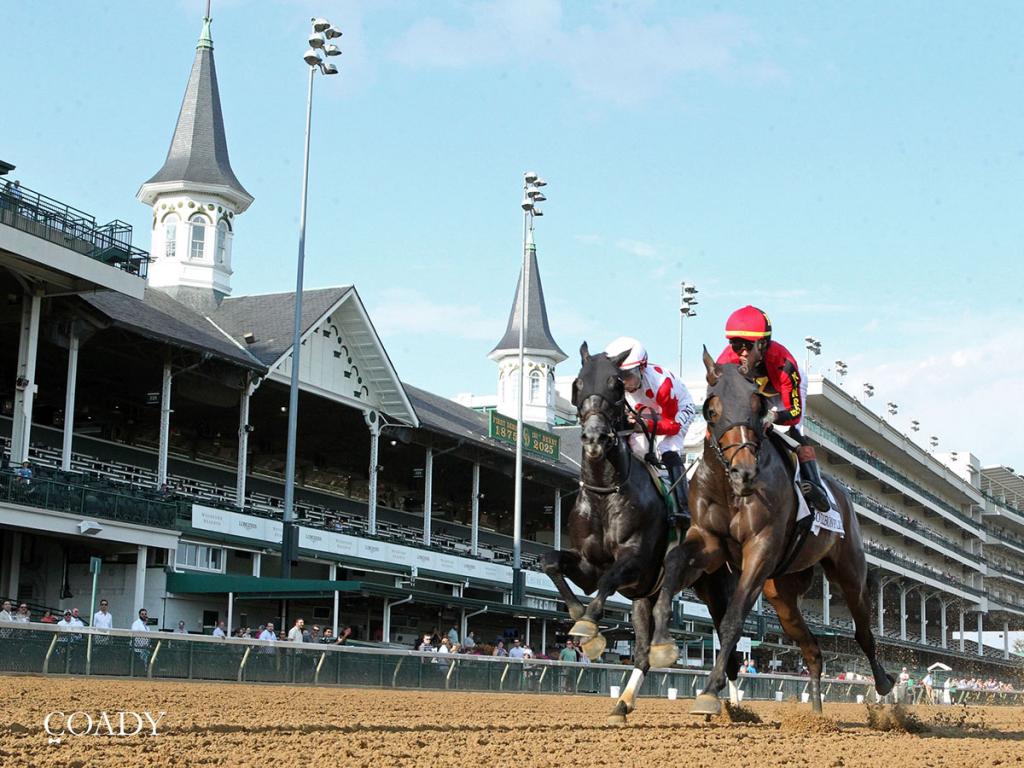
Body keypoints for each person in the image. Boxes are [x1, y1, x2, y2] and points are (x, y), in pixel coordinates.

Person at [716, 306, 829, 511]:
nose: (741, 352)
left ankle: (815, 484)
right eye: (736, 344)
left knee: (793, 433)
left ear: (763, 344)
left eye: (747, 346)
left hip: (782, 392)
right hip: (756, 391)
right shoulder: (726, 362)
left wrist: (771, 416)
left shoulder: (785, 365)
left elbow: (793, 414)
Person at [603, 336, 698, 525]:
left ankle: (683, 506)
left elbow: (672, 426)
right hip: (647, 411)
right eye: (619, 376)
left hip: (677, 410)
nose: (625, 382)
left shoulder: (661, 385)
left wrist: (644, 425)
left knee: (668, 448)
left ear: (642, 368)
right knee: (637, 449)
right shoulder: (620, 386)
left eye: (629, 374)